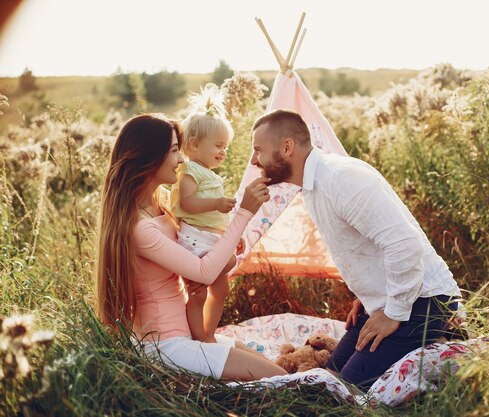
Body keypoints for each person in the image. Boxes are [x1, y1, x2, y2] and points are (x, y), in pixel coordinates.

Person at [250, 109, 463, 387]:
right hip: (388, 298)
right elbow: (366, 245)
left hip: (425, 302)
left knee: (344, 388)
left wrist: (392, 313)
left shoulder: (340, 178)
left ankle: (444, 342)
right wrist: (369, 295)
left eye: (258, 150)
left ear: (287, 147)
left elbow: (404, 244)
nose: (255, 160)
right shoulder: (313, 185)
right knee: (333, 369)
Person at [96, 113, 286, 381]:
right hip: (166, 347)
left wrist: (223, 248)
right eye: (174, 151)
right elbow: (204, 272)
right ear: (149, 157)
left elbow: (200, 259)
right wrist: (243, 213)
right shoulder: (139, 228)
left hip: (185, 335)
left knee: (280, 372)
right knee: (287, 382)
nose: (181, 159)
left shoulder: (159, 208)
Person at [170, 85, 238, 343]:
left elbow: (217, 218)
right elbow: (187, 204)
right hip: (196, 239)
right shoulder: (189, 171)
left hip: (212, 239)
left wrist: (228, 234)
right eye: (219, 145)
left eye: (226, 147)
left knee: (221, 289)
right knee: (198, 292)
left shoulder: (208, 173)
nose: (223, 151)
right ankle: (198, 336)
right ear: (195, 144)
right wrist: (217, 203)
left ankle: (209, 333)